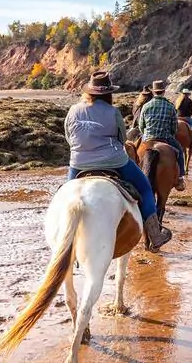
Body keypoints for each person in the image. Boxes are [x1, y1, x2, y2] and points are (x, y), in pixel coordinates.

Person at [65, 71, 172, 251]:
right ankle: (156, 235)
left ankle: (66, 238)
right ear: (109, 93)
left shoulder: (73, 110)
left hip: (78, 163)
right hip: (114, 161)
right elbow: (122, 140)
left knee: (66, 195)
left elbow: (69, 137)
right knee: (145, 188)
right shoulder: (113, 112)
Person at [138, 80, 186, 192]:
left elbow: (141, 126)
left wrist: (146, 134)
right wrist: (171, 135)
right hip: (165, 137)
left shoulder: (146, 106)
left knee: (135, 152)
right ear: (164, 92)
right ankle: (180, 178)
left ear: (154, 92)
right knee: (179, 150)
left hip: (148, 137)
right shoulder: (170, 106)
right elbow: (174, 127)